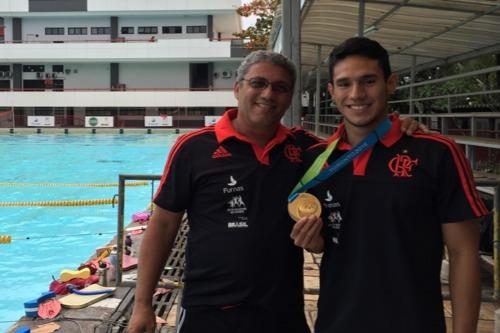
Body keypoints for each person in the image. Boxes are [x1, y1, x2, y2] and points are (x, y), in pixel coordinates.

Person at [127, 50, 423, 333]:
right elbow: (164, 224)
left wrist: (395, 128)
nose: (268, 94)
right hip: (209, 309)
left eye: (280, 88)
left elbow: (355, 147)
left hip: (282, 310)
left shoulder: (305, 149)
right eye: (258, 83)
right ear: (238, 88)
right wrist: (142, 304)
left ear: (289, 97)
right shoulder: (194, 148)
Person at [291, 37, 489, 333]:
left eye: (368, 81)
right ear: (331, 91)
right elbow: (333, 239)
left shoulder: (437, 152)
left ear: (391, 83)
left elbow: (463, 253)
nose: (357, 94)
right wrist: (314, 241)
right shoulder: (317, 160)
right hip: (336, 322)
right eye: (344, 84)